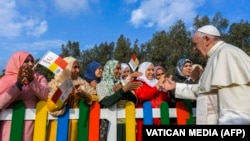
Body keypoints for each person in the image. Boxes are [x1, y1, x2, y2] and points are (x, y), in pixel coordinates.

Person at [162, 25, 250, 124]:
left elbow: (234, 111)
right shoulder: (215, 56)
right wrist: (175, 86)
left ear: (206, 40)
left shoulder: (227, 53)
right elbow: (200, 91)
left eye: (195, 44)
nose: (194, 48)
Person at [0, 51, 48, 141]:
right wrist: (18, 85)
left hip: (32, 130)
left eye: (32, 61)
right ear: (16, 63)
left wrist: (32, 81)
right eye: (26, 61)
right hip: (8, 131)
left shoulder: (39, 78)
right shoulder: (4, 81)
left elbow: (46, 97)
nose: (30, 64)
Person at [46, 56, 97, 141]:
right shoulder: (55, 84)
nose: (78, 70)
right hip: (58, 127)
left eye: (78, 67)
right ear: (67, 69)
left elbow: (96, 98)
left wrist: (85, 95)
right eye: (75, 67)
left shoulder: (82, 83)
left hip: (78, 127)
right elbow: (51, 107)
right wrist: (66, 93)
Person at [96, 60, 142, 141]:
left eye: (120, 69)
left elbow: (134, 101)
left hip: (127, 122)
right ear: (110, 69)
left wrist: (125, 90)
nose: (120, 71)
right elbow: (107, 102)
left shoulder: (123, 83)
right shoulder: (101, 85)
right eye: (117, 68)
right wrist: (123, 90)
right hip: (110, 124)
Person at [133, 62, 170, 141]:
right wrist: (158, 85)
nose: (152, 72)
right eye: (148, 70)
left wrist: (165, 88)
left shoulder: (156, 82)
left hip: (160, 119)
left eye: (153, 70)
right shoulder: (137, 83)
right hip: (143, 120)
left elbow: (165, 99)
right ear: (143, 70)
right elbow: (143, 95)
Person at [169, 58, 195, 125]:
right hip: (177, 115)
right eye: (186, 66)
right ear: (179, 68)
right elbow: (174, 93)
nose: (189, 68)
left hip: (192, 115)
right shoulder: (173, 80)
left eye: (190, 65)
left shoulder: (193, 80)